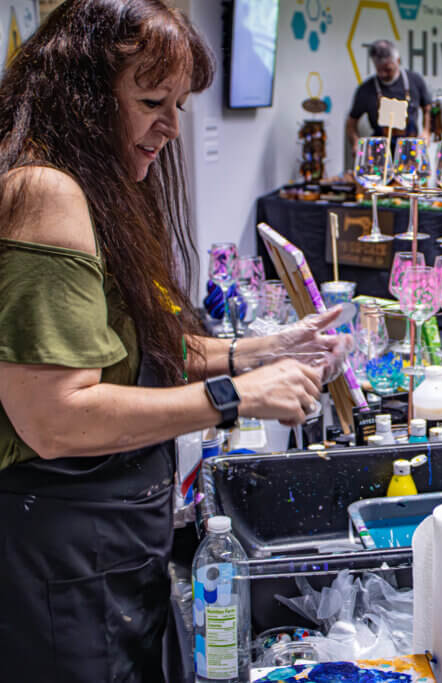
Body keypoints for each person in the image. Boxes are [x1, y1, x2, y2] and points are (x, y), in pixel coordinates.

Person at [0, 1, 351, 679]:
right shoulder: (46, 193)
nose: (170, 126)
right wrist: (233, 395)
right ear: (82, 96)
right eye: (152, 99)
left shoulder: (90, 185)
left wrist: (260, 350)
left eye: (180, 104)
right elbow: (55, 416)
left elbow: (126, 352)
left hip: (101, 547)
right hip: (59, 561)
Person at [346, 39, 432, 150]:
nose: (382, 74)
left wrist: (426, 131)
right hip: (380, 151)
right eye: (379, 69)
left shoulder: (415, 81)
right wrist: (355, 141)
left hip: (410, 149)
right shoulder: (366, 89)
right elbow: (351, 122)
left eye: (387, 69)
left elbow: (427, 108)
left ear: (398, 60)